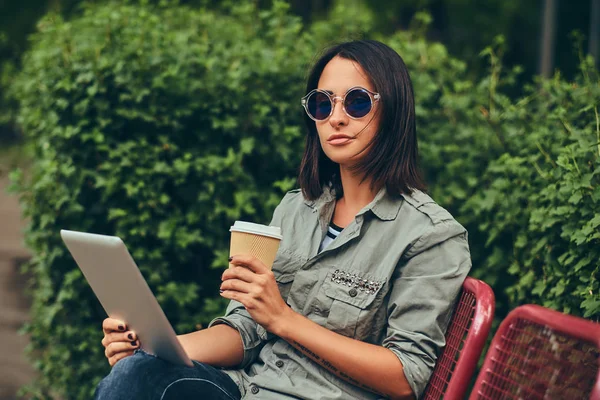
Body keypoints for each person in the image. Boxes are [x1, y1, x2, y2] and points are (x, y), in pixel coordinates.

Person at [95, 39, 471, 400]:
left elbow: (407, 376)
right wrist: (154, 350)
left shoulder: (431, 236)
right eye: (323, 105)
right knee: (133, 374)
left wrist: (284, 319)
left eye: (356, 103)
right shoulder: (297, 209)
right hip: (245, 388)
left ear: (393, 111)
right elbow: (245, 327)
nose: (336, 118)